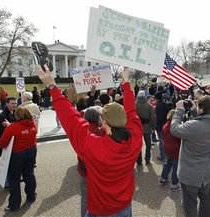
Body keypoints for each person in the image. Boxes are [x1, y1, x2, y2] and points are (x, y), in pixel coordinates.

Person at [36, 65, 143, 217]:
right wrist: (126, 85)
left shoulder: (94, 146)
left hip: (100, 208)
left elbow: (72, 120)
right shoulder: (135, 139)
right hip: (124, 206)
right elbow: (132, 113)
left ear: (104, 122)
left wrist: (52, 86)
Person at [170, 95, 210, 217]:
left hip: (190, 174)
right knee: (206, 201)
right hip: (206, 173)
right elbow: (202, 123)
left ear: (202, 109)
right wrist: (194, 110)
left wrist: (179, 111)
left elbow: (174, 129)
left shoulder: (193, 126)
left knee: (190, 205)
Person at [0, 107, 38, 212]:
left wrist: (9, 128)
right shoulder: (33, 123)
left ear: (17, 116)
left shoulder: (13, 128)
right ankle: (31, 196)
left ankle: (14, 205)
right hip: (32, 151)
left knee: (14, 179)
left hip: (17, 155)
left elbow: (1, 143)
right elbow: (23, 130)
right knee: (29, 173)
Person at [78, 107, 106, 217]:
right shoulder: (102, 131)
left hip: (83, 169)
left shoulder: (80, 131)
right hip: (98, 172)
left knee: (85, 198)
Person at [159, 109, 181, 190]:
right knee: (175, 166)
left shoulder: (165, 125)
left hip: (167, 147)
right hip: (175, 148)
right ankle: (175, 184)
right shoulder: (175, 127)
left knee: (167, 163)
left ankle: (163, 178)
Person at [135, 90, 156, 165]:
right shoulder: (149, 105)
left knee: (138, 145)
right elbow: (152, 118)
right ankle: (147, 159)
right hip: (147, 127)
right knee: (148, 144)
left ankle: (139, 160)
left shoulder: (134, 105)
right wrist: (153, 127)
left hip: (137, 127)